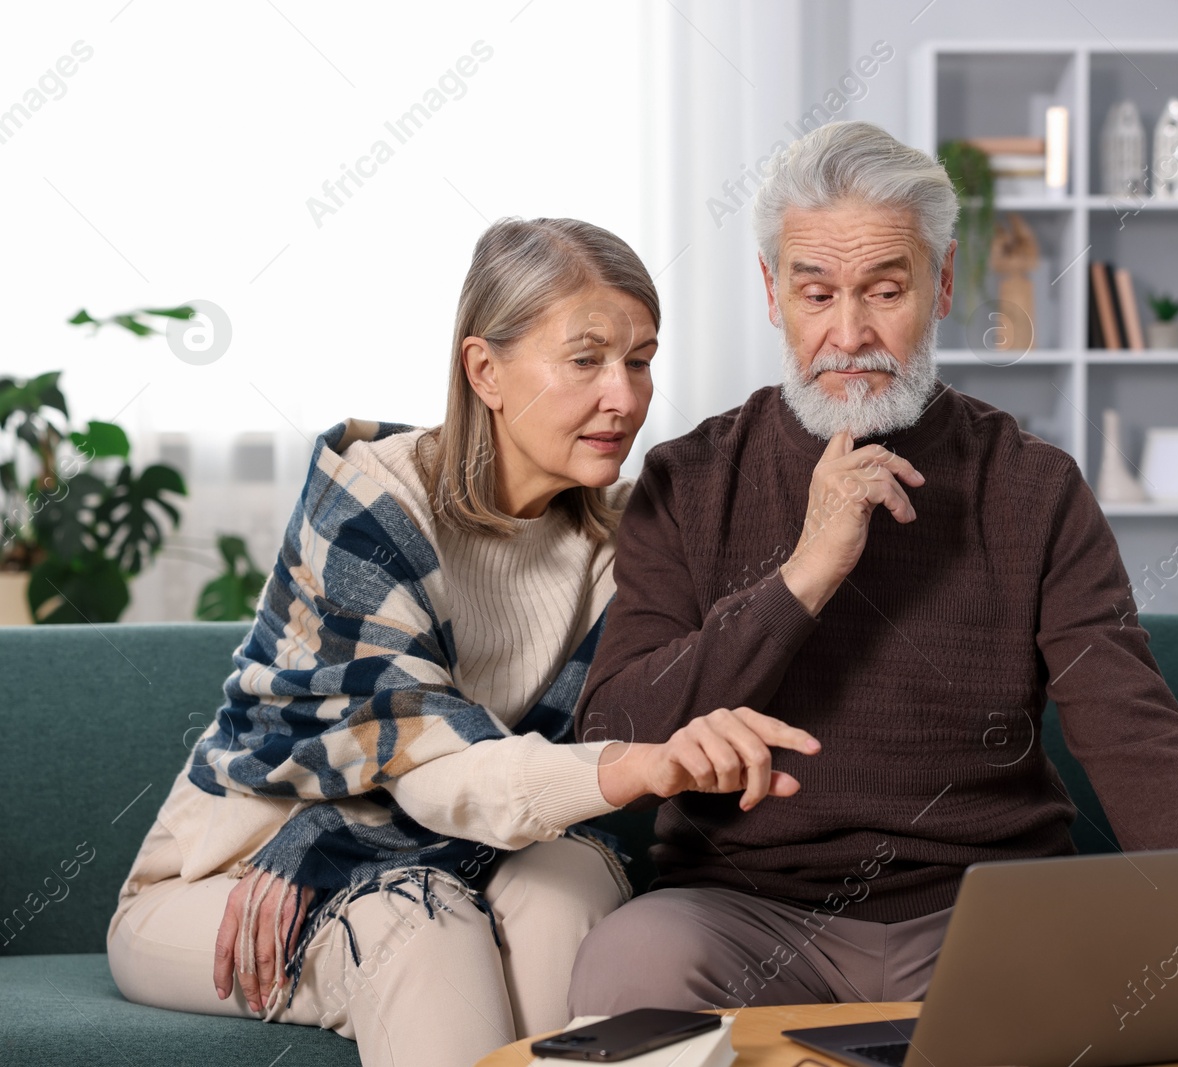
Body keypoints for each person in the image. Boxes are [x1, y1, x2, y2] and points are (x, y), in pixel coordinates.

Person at [566, 121, 1178, 1047]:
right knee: (626, 962)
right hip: (740, 916)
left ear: (943, 284)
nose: (850, 334)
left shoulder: (1031, 485)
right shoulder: (690, 479)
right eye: (817, 292)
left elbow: (1131, 724)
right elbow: (611, 732)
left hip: (982, 913)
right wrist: (804, 575)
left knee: (1171, 986)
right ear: (772, 295)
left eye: (886, 290)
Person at [107, 217, 819, 1067]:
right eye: (586, 359)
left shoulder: (623, 541)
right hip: (241, 866)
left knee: (569, 887)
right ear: (484, 369)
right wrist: (638, 765)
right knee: (419, 919)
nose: (626, 397)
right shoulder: (371, 499)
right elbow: (437, 764)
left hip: (473, 847)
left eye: (640, 359)